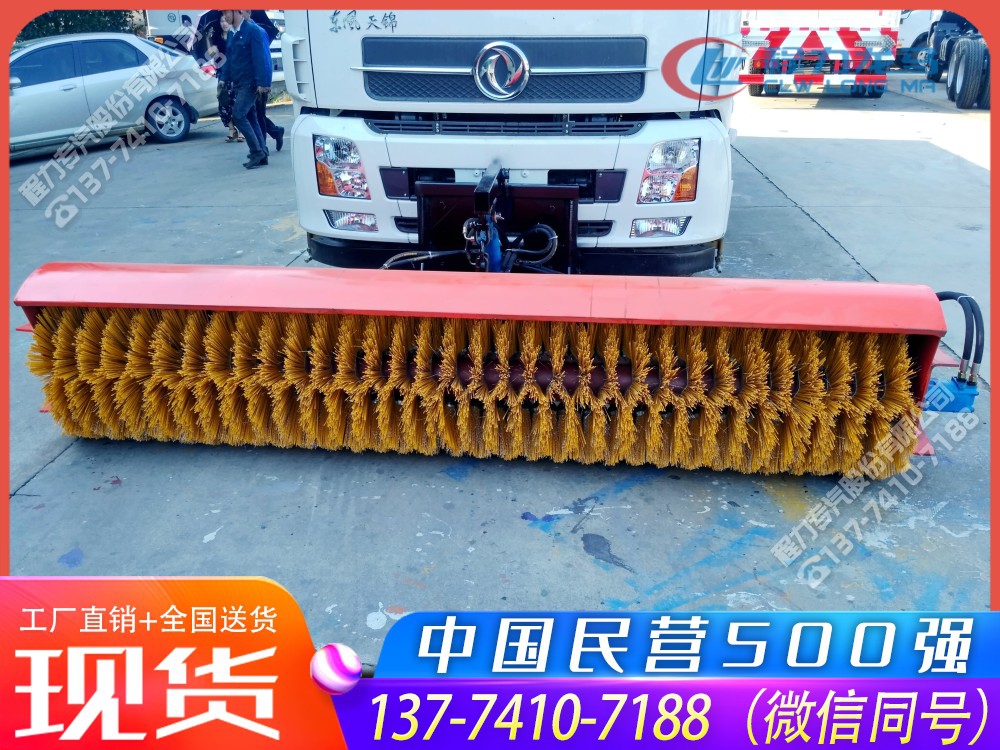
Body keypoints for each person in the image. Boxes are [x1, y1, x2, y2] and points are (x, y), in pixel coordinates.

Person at [223, 9, 271, 168]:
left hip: (250, 83)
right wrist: (223, 79)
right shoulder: (231, 33)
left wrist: (262, 83)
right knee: (251, 118)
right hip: (238, 82)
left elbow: (260, 58)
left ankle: (256, 152)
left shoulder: (252, 30)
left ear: (237, 11)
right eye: (223, 13)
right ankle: (263, 153)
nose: (225, 16)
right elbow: (229, 59)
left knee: (238, 116)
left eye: (226, 12)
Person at [244, 11, 285, 152]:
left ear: (247, 13)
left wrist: (264, 83)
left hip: (258, 83)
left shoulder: (257, 32)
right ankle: (275, 132)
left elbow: (265, 59)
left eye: (240, 12)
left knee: (257, 116)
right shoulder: (240, 33)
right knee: (253, 115)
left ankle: (262, 148)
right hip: (246, 83)